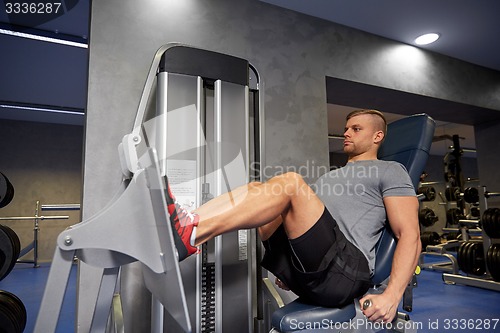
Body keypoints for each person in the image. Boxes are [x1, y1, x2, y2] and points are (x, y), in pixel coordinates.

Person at [166, 109, 420, 324]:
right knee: (258, 188)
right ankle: (189, 220)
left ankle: (193, 234)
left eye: (356, 129)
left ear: (378, 136)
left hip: (347, 274)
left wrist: (392, 296)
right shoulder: (329, 177)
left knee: (291, 182)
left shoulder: (391, 170)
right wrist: (294, 261)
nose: (346, 133)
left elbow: (410, 234)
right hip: (314, 269)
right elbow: (309, 228)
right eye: (346, 128)